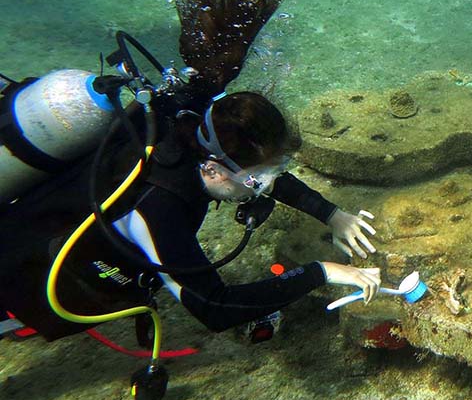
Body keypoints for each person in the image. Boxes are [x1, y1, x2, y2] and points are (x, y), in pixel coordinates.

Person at [0, 90, 382, 340]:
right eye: (259, 178)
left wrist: (332, 214)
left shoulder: (191, 128)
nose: (266, 186)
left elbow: (258, 173)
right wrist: (324, 271)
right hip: (20, 275)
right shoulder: (160, 207)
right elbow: (214, 307)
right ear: (214, 170)